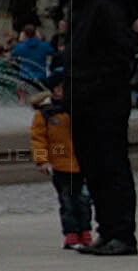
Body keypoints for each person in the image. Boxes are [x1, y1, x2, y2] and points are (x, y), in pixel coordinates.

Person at [56, 0, 138, 255]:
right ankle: (107, 229)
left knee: (111, 165)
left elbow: (121, 52)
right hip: (84, 98)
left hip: (103, 100)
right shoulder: (81, 2)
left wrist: (91, 85)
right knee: (93, 165)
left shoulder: (106, 1)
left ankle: (122, 233)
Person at [28, 88, 93, 248]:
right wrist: (42, 160)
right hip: (61, 165)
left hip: (83, 164)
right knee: (68, 201)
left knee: (84, 201)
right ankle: (71, 233)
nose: (62, 91)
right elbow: (39, 139)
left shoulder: (81, 108)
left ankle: (85, 231)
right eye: (58, 87)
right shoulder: (45, 114)